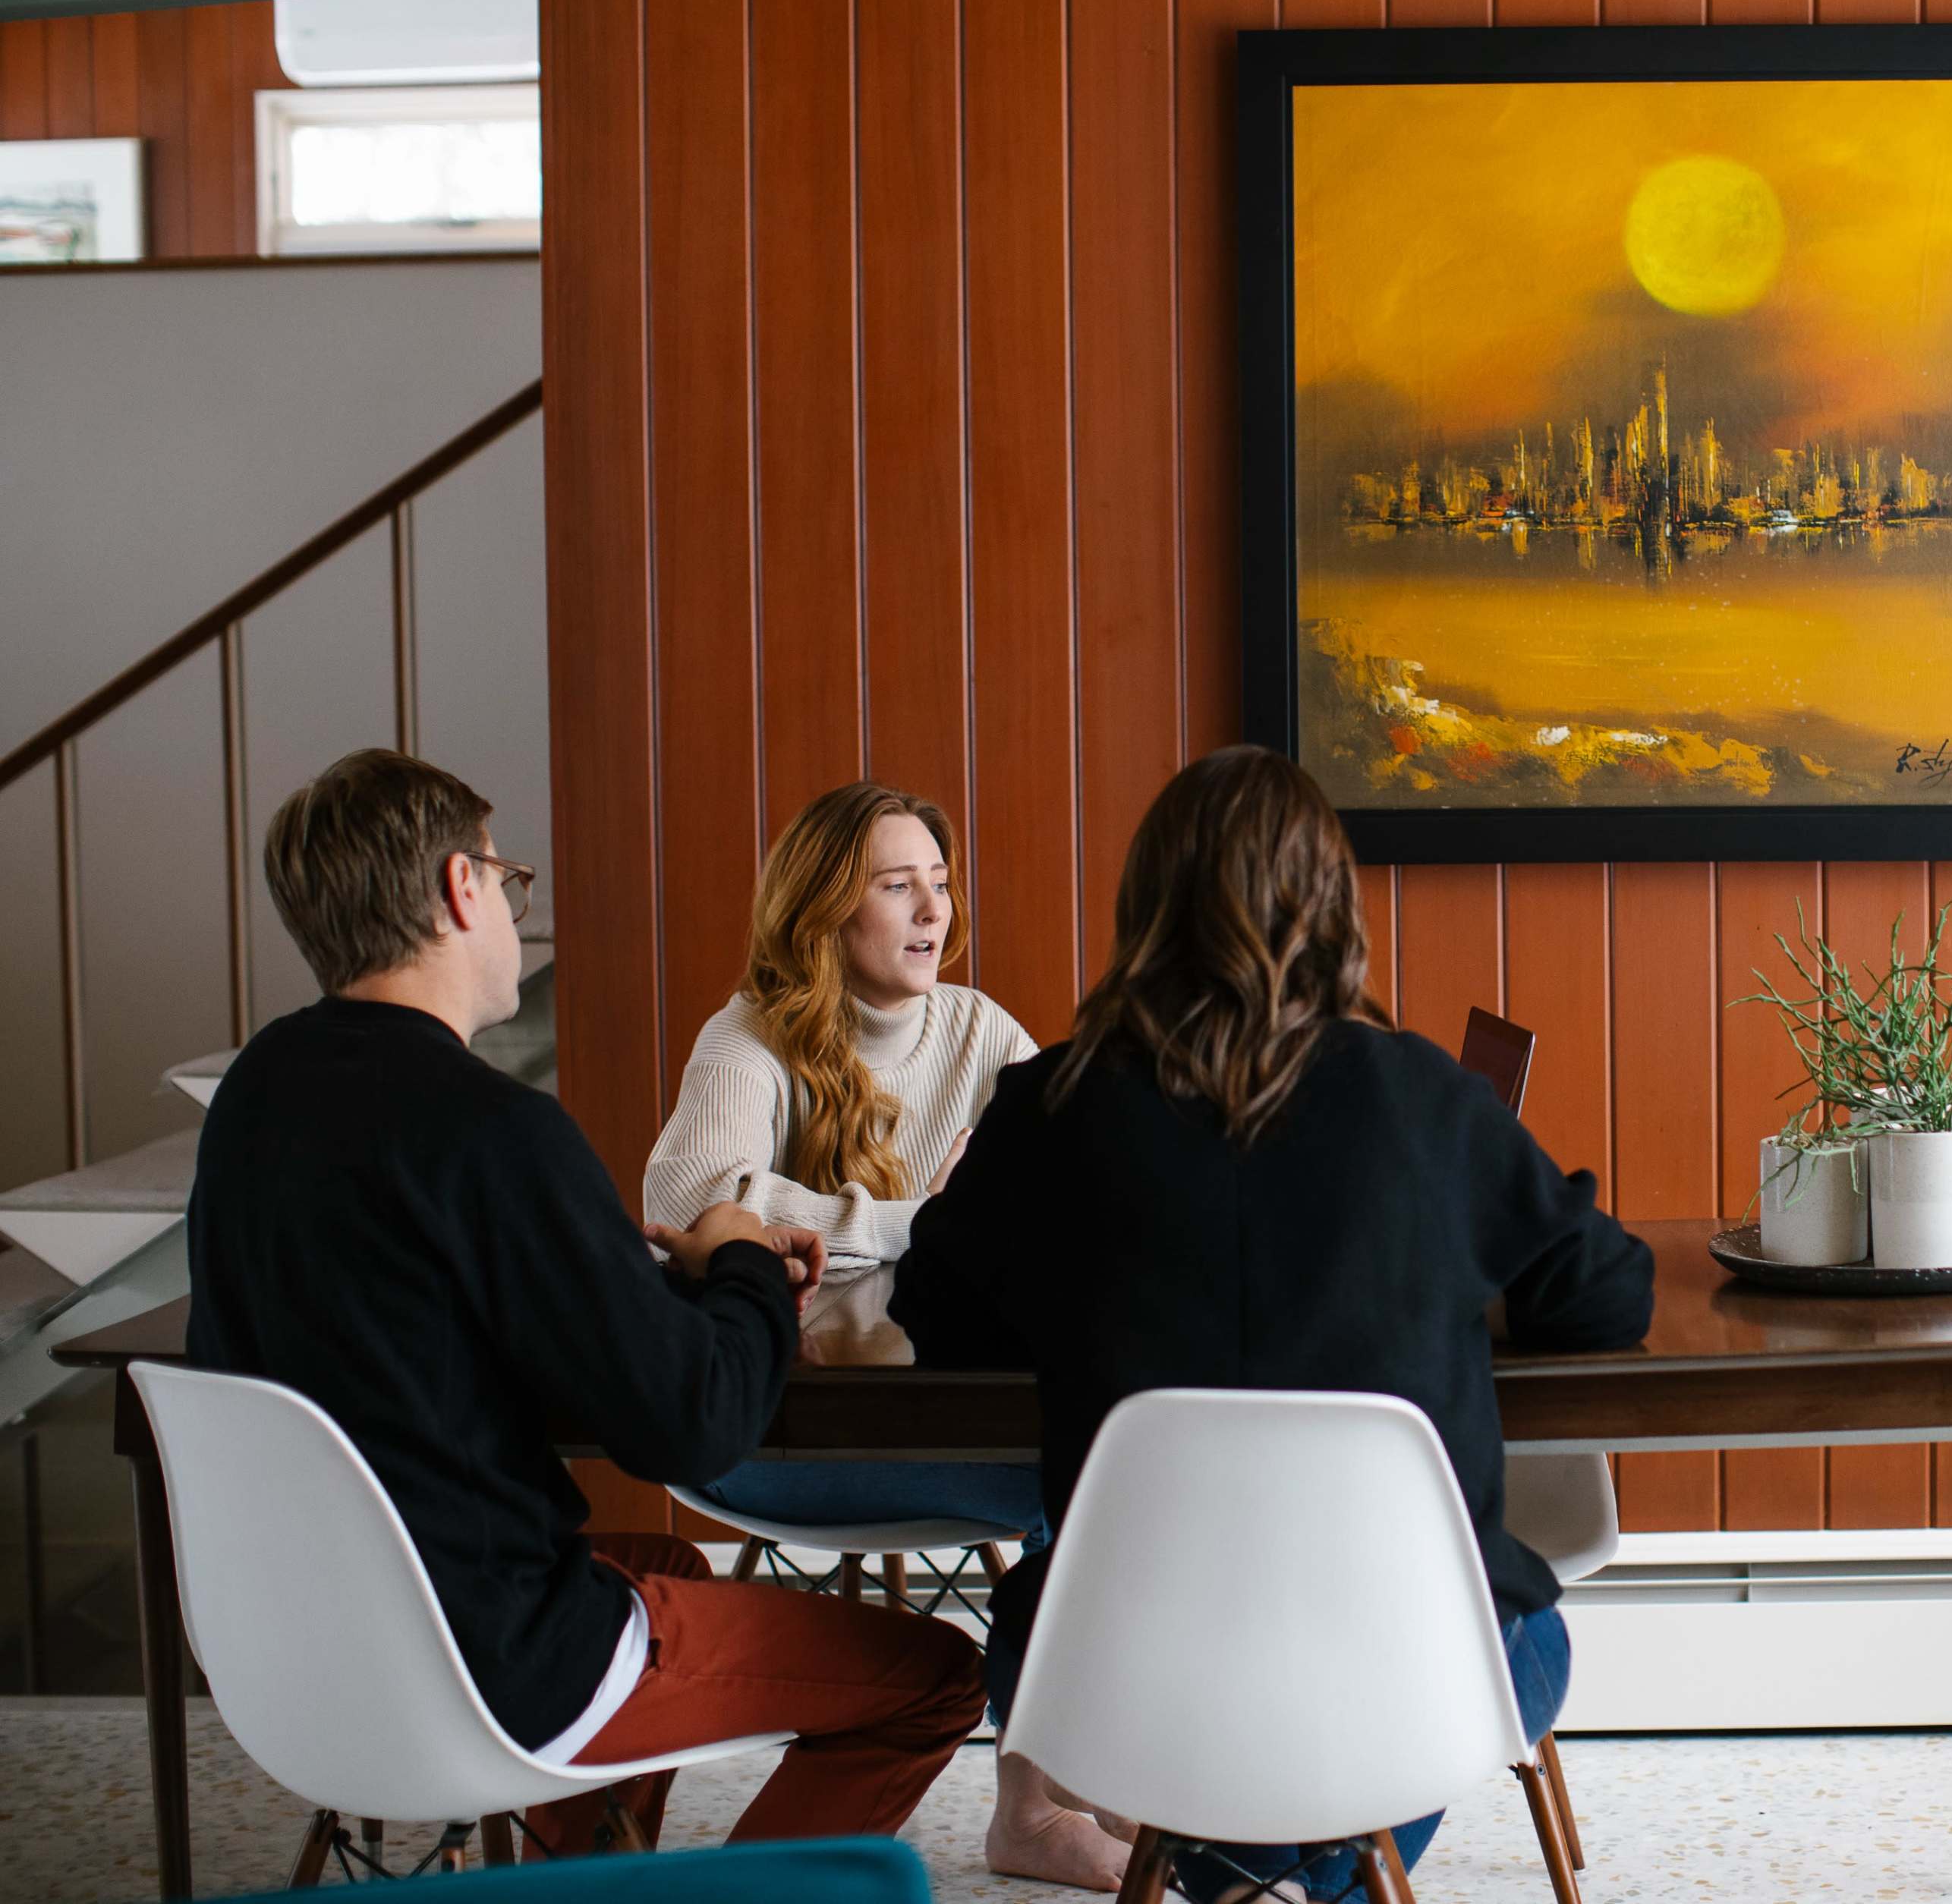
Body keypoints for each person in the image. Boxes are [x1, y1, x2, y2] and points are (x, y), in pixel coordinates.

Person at [890, 744, 1654, 1904]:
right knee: (1523, 1646)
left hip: (1111, 1685)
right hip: (1408, 1677)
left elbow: (932, 1318)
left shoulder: (1045, 1107)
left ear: (1144, 909)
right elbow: (1611, 1296)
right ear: (1333, 906)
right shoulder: (1428, 1103)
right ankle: (1296, 1888)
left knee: (1111, 1676)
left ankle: (1250, 1887)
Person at [185, 749, 984, 1858]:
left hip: (295, 1654)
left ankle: (590, 1882)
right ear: (463, 889)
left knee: (659, 1567)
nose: (517, 913)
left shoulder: (255, 1098)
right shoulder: (491, 1131)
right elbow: (692, 1422)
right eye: (511, 884)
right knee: (937, 1676)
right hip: (497, 1653)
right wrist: (745, 1262)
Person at [641, 780, 1118, 1887]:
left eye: (939, 884)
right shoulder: (748, 1035)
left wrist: (820, 1224)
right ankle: (1046, 1806)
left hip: (940, 1404)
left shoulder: (978, 1027)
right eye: (896, 886)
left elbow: (1071, 1195)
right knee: (1077, 1463)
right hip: (792, 1435)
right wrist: (924, 1223)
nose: (930, 911)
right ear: (823, 910)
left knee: (1097, 1451)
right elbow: (696, 1196)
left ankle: (1060, 1790)